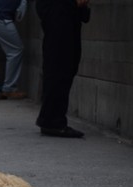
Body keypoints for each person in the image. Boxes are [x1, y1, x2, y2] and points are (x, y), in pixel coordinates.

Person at [35, 0, 90, 138]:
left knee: (63, 63)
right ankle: (52, 121)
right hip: (60, 9)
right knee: (60, 63)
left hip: (62, 10)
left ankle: (51, 118)